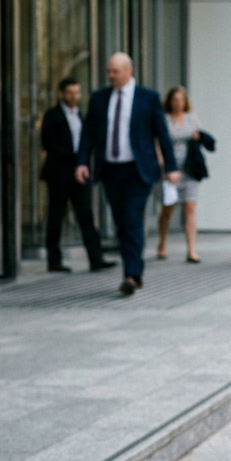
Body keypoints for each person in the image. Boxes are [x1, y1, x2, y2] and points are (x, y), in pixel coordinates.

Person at [75, 53, 179, 295]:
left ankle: (132, 274)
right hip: (110, 170)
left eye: (115, 71)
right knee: (122, 223)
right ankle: (132, 270)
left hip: (137, 170)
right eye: (109, 71)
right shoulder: (99, 98)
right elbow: (88, 134)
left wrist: (171, 168)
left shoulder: (148, 98)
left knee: (132, 218)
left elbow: (161, 134)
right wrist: (82, 162)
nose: (110, 75)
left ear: (128, 71)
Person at [40, 77, 113, 273]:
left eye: (77, 92)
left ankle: (96, 258)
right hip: (59, 174)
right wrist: (73, 159)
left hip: (80, 174)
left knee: (86, 215)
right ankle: (53, 260)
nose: (74, 96)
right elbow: (48, 143)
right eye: (70, 92)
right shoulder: (52, 116)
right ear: (61, 94)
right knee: (56, 216)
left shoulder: (81, 115)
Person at [157, 86, 208, 263]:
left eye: (181, 100)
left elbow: (199, 136)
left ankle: (191, 249)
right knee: (168, 209)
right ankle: (162, 242)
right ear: (169, 102)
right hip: (170, 170)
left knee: (190, 208)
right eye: (174, 100)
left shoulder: (191, 119)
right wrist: (163, 165)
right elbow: (158, 143)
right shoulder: (164, 120)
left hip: (189, 169)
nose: (178, 103)